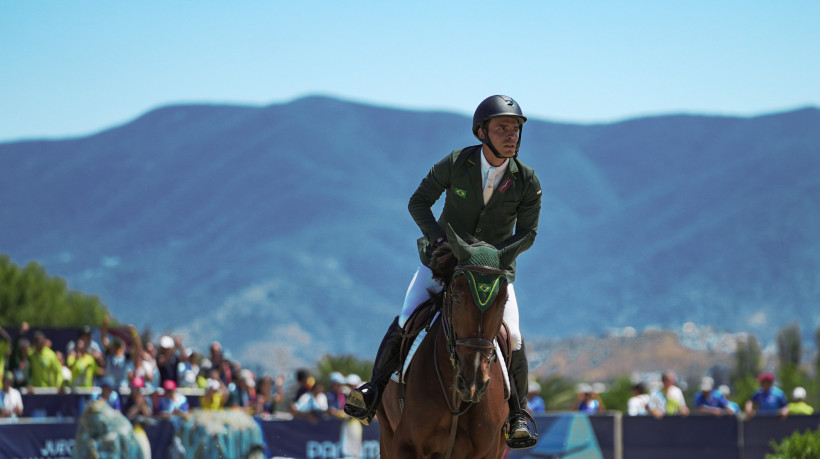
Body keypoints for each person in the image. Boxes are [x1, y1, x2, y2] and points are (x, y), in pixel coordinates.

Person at [345, 95, 541, 449]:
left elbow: (528, 233)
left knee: (512, 335)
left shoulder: (526, 179)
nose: (511, 135)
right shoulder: (456, 163)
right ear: (482, 132)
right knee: (407, 318)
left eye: (515, 129)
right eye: (502, 129)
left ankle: (518, 414)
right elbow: (418, 201)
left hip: (492, 276)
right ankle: (373, 390)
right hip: (441, 267)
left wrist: (496, 258)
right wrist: (440, 242)